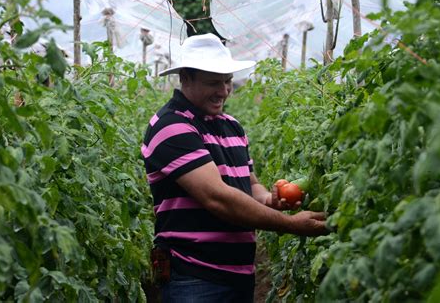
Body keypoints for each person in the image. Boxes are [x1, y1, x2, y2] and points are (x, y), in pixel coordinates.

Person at [141, 33, 328, 303]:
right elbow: (217, 198)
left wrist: (269, 199)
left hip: (238, 274)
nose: (224, 91)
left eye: (227, 81)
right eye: (213, 83)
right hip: (194, 276)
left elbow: (249, 184)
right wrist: (290, 225)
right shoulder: (171, 126)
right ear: (185, 79)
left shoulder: (232, 125)